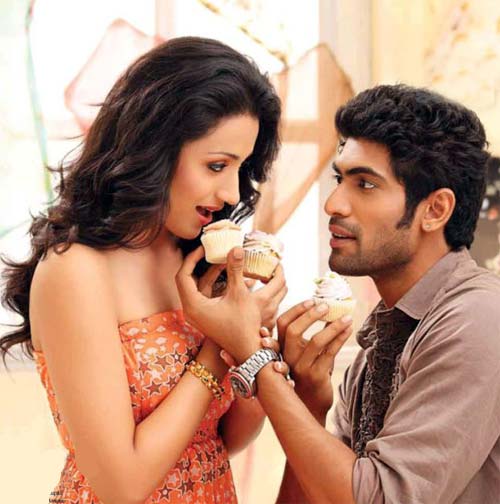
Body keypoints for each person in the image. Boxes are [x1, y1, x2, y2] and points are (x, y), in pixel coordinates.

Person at [176, 84, 500, 503]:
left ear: (435, 210)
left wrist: (253, 357)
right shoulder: (377, 346)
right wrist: (309, 401)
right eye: (339, 179)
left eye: (365, 184)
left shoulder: (479, 317)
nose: (333, 204)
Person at [0, 36, 287, 504]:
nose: (233, 193)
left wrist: (251, 343)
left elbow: (221, 441)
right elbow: (122, 485)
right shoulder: (76, 273)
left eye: (240, 168)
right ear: (155, 148)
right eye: (216, 165)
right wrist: (217, 348)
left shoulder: (198, 259)